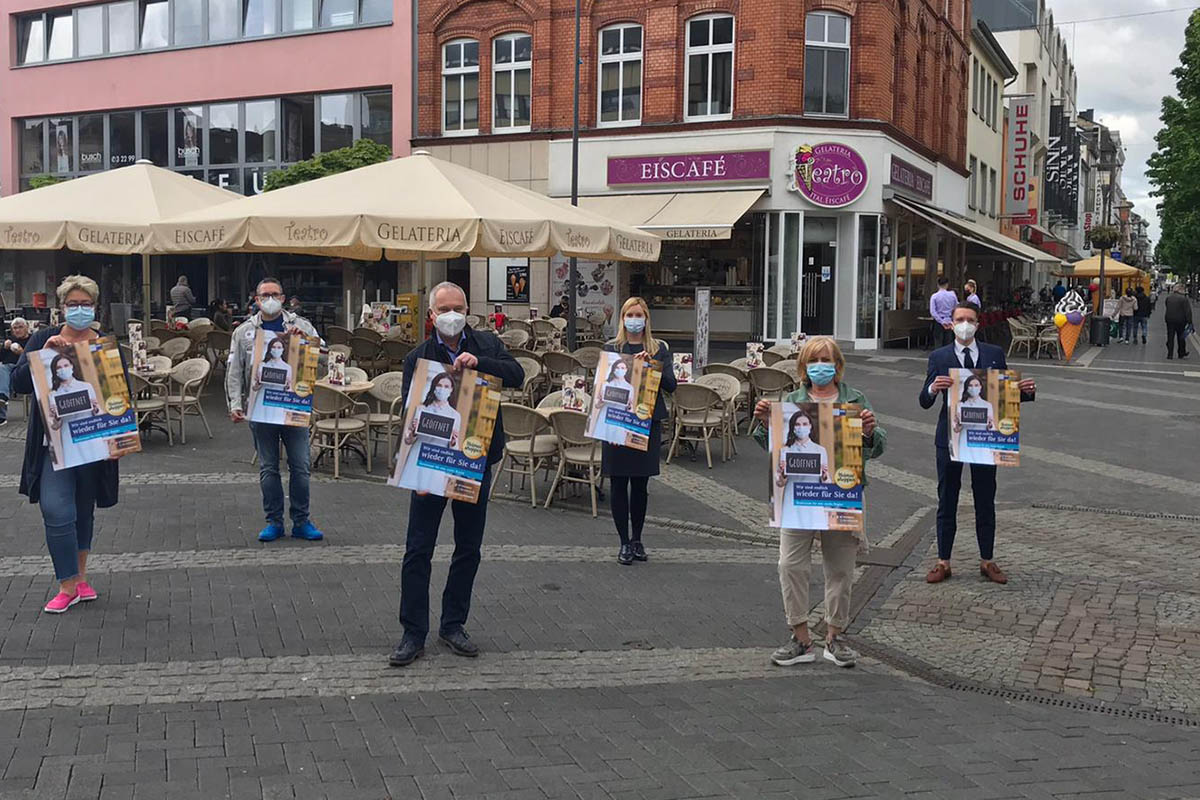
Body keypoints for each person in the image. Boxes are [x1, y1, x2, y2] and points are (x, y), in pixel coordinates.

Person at [390, 282, 523, 668]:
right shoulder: (419, 357)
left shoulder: (486, 344)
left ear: (468, 310)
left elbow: (515, 373)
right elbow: (410, 414)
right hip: (429, 467)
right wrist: (415, 472)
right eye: (444, 308)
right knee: (418, 549)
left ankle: (453, 625)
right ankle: (412, 632)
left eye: (458, 307)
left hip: (473, 462)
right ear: (431, 315)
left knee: (468, 548)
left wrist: (480, 364)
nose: (452, 314)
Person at [752, 336, 886, 668]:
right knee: (789, 565)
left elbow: (877, 445)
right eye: (814, 360)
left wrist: (869, 432)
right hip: (796, 499)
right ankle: (800, 637)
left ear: (838, 366)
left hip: (840, 496)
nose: (820, 366)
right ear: (804, 367)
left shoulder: (854, 398)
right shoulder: (792, 400)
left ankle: (834, 636)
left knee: (840, 569)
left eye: (827, 359)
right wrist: (763, 421)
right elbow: (769, 446)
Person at [11, 276, 118, 614]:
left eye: (85, 304)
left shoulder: (103, 345)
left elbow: (118, 395)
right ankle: (66, 583)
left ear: (95, 307)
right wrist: (44, 355)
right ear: (61, 308)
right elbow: (18, 384)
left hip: (91, 445)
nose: (80, 310)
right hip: (51, 447)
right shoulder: (44, 338)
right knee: (57, 510)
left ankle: (80, 579)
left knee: (83, 511)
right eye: (73, 304)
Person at [920, 303, 1035, 585]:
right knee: (947, 498)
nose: (965, 324)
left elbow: (1003, 396)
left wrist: (1024, 392)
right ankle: (943, 561)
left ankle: (987, 559)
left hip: (985, 438)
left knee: (985, 498)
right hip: (950, 438)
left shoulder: (994, 354)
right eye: (960, 319)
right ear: (951, 324)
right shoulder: (939, 356)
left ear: (978, 324)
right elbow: (924, 401)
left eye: (970, 320)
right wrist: (932, 388)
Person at [227, 277, 324, 543]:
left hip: (293, 409)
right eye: (264, 295)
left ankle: (302, 520)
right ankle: (274, 521)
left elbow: (325, 362)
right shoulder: (244, 332)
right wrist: (235, 404)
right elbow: (234, 372)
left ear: (283, 298)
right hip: (261, 411)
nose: (270, 299)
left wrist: (306, 345)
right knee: (269, 468)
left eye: (275, 294)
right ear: (256, 300)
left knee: (301, 467)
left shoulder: (302, 326)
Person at [602, 297, 676, 566]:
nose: (634, 319)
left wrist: (650, 366)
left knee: (641, 484)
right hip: (618, 421)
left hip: (646, 422)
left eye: (639, 314)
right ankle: (623, 542)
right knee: (618, 482)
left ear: (646, 318)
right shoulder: (612, 347)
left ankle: (637, 538)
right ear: (622, 318)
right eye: (629, 314)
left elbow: (671, 385)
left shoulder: (659, 349)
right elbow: (603, 386)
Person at [395, 370, 462, 495]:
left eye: (446, 386)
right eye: (439, 385)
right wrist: (413, 432)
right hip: (418, 454)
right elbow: (407, 440)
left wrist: (453, 442)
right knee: (418, 494)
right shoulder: (422, 409)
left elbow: (455, 449)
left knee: (434, 494)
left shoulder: (455, 415)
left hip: (438, 458)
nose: (442, 389)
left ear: (451, 390)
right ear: (434, 387)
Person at [45, 352, 110, 467]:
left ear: (72, 367)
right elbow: (54, 426)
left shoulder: (86, 386)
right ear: (55, 372)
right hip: (69, 437)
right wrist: (56, 417)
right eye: (59, 367)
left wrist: (96, 409)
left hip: (89, 432)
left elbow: (99, 414)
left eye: (66, 366)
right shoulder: (53, 394)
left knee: (95, 469)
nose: (63, 369)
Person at [773, 408, 830, 529]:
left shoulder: (820, 450)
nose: (801, 427)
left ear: (810, 426)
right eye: (797, 424)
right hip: (792, 497)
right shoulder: (785, 451)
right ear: (793, 428)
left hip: (812, 496)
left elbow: (827, 483)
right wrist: (783, 474)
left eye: (805, 424)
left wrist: (825, 476)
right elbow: (779, 483)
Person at [588, 356, 637, 445]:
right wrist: (601, 401)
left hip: (619, 418)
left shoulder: (629, 388)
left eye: (622, 368)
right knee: (605, 443)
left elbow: (630, 410)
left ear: (626, 370)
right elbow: (597, 405)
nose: (620, 370)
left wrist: (630, 406)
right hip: (605, 415)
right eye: (617, 368)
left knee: (618, 444)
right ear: (613, 369)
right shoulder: (606, 384)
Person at [951, 373, 995, 465]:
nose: (973, 388)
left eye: (976, 385)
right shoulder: (961, 405)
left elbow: (992, 428)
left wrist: (990, 425)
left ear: (980, 387)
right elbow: (956, 429)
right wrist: (958, 424)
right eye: (970, 385)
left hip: (981, 439)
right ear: (966, 388)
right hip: (965, 439)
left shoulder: (987, 405)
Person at [0, 317, 32, 426]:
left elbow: (35, 359)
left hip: (22, 370)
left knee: (3, 371)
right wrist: (4, 348)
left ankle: (2, 405)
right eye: (15, 328)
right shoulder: (10, 341)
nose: (18, 330)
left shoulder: (32, 340)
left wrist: (22, 353)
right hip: (6, 371)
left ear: (27, 328)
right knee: (2, 371)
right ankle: (2, 401)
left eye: (20, 327)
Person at [1164, 283, 1192, 360]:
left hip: (1169, 319)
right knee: (1181, 337)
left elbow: (1167, 306)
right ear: (1180, 290)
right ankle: (1181, 353)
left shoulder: (1168, 298)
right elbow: (1188, 311)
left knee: (1170, 337)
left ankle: (1170, 354)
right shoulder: (1184, 299)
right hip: (1180, 321)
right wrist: (1190, 322)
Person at [929, 277, 957, 346]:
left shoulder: (934, 296)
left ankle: (939, 356)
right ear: (947, 284)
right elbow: (956, 307)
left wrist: (941, 321)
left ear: (938, 285)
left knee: (938, 342)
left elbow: (933, 311)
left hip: (939, 321)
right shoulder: (952, 295)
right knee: (949, 343)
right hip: (950, 320)